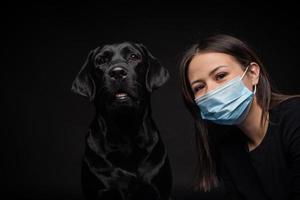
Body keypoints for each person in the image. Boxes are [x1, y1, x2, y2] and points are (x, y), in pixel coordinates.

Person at [178, 34, 300, 200]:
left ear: (252, 73)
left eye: (220, 76)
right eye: (199, 87)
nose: (211, 91)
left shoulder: (294, 116)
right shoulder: (228, 148)